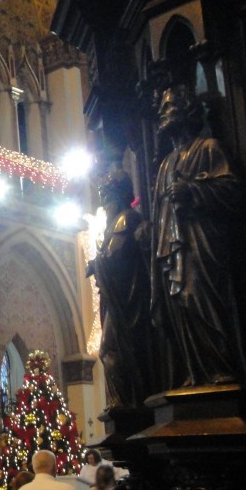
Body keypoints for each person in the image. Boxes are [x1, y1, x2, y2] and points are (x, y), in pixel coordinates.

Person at [151, 84, 244, 388]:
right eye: (162, 108)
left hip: (200, 242)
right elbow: (159, 213)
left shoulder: (209, 148)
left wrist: (192, 190)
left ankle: (219, 367)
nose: (162, 113)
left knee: (196, 295)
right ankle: (195, 370)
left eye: (169, 106)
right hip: (173, 246)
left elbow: (231, 188)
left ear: (188, 110)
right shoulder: (166, 164)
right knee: (179, 304)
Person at [87, 166, 156, 406]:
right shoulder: (115, 222)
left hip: (127, 302)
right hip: (117, 300)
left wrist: (98, 264)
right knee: (108, 351)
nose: (104, 204)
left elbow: (116, 256)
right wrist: (97, 264)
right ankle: (123, 403)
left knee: (111, 351)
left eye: (106, 197)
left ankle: (129, 404)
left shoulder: (127, 218)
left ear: (116, 196)